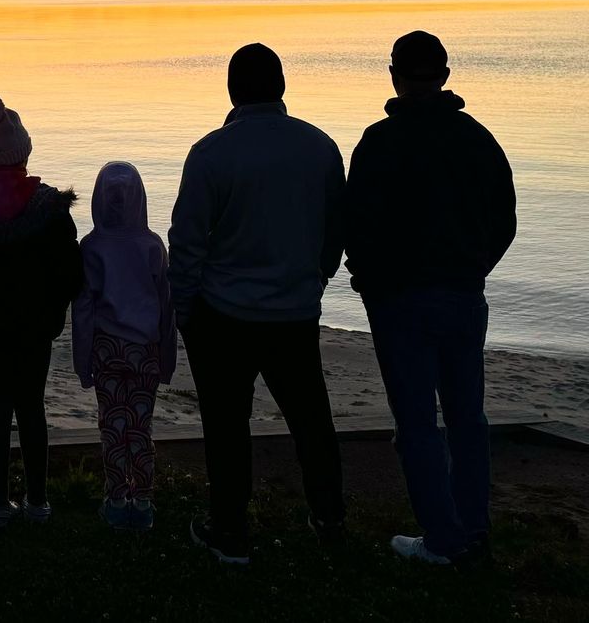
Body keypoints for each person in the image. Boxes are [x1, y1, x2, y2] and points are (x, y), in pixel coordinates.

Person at [169, 43, 346, 565]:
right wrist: (319, 274)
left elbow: (187, 243)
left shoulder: (211, 153)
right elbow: (336, 226)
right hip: (294, 310)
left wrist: (184, 311)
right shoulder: (320, 148)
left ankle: (230, 531)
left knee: (226, 427)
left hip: (223, 314)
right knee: (311, 420)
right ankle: (330, 517)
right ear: (282, 88)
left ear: (231, 90)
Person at [346, 31, 516, 566]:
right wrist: (472, 268)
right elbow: (505, 222)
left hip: (401, 302)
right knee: (468, 416)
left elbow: (355, 225)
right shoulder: (478, 140)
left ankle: (443, 539)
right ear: (444, 76)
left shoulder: (378, 142)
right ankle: (472, 529)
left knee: (418, 422)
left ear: (394, 74)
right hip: (463, 295)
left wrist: (368, 280)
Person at [0, 94, 82, 529]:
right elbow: (70, 272)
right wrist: (55, 313)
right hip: (34, 326)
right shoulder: (48, 208)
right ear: (23, 151)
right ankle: (38, 501)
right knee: (32, 408)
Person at [72, 162, 176, 533]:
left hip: (107, 351)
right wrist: (167, 358)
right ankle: (143, 501)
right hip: (145, 350)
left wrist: (82, 361)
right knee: (140, 427)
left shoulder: (91, 247)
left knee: (113, 427)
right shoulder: (152, 246)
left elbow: (83, 309)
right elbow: (166, 307)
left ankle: (117, 501)